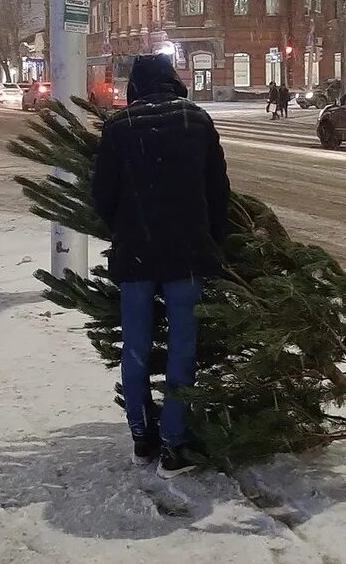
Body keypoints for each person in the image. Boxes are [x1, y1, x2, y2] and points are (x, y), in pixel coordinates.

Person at [91, 54, 231, 479]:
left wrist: (128, 228)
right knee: (182, 346)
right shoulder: (197, 120)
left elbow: (103, 195)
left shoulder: (118, 127)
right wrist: (213, 239)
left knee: (135, 346)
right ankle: (174, 446)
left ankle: (141, 439)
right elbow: (217, 190)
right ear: (172, 81)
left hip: (135, 254)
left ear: (135, 85)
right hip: (187, 252)